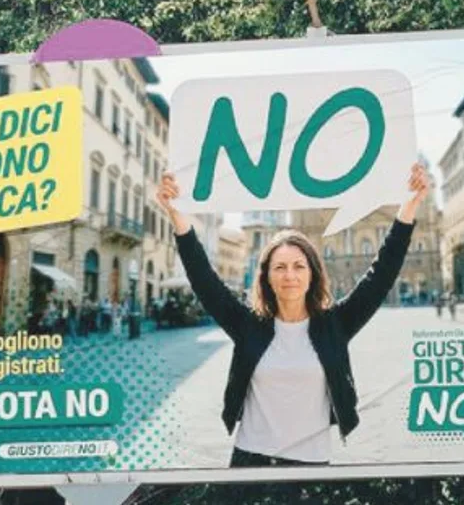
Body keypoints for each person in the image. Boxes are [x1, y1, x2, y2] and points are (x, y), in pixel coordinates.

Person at [156, 162, 429, 468]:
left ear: (313, 274)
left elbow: (381, 274)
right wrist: (175, 214)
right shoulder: (248, 325)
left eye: (299, 266)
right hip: (250, 460)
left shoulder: (335, 325)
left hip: (311, 465)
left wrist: (409, 208)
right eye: (280, 267)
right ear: (267, 277)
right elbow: (204, 279)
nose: (290, 275)